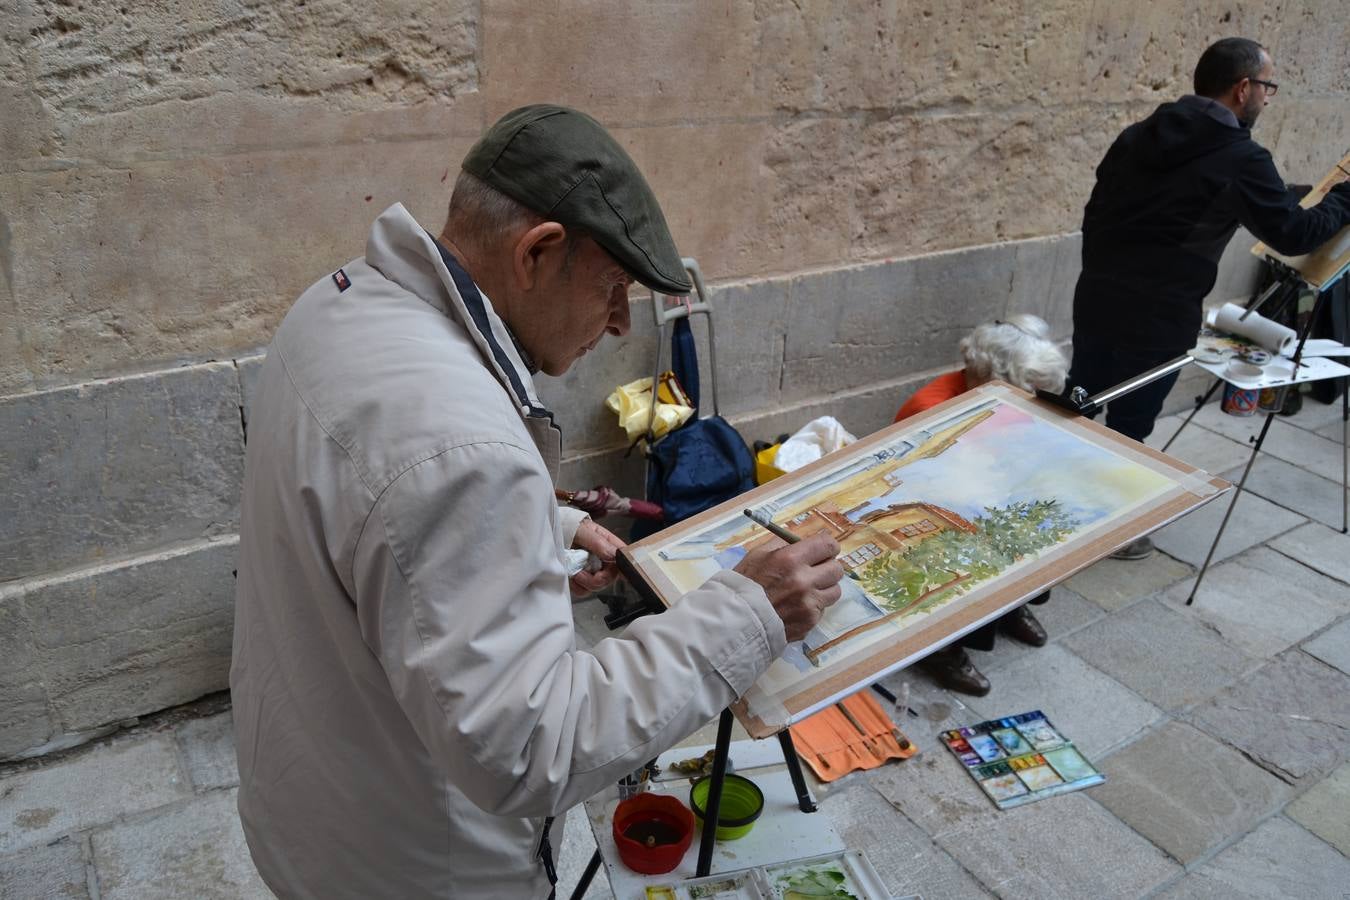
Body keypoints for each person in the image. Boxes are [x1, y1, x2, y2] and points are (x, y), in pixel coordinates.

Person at [230, 105, 845, 899]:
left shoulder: (342, 305)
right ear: (539, 251)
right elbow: (530, 747)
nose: (622, 322)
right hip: (420, 867)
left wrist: (546, 532)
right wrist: (749, 613)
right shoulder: (461, 445)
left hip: (319, 814)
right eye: (614, 287)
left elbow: (379, 510)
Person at [1068, 36, 1350, 559]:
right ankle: (1107, 528)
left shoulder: (1137, 136)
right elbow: (1293, 234)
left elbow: (1101, 209)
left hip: (1098, 295)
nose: (1268, 97)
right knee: (1131, 422)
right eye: (1268, 87)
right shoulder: (1240, 157)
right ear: (1243, 89)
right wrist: (1343, 199)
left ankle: (1043, 499)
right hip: (1159, 313)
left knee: (1079, 401)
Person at [894, 314, 1069, 696]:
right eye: (1029, 391)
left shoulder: (995, 395)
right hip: (937, 515)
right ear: (994, 379)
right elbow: (946, 492)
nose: (1033, 401)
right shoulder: (932, 409)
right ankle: (943, 648)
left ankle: (1009, 608)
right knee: (980, 548)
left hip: (989, 493)